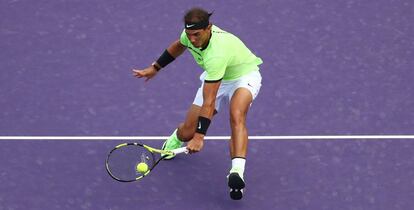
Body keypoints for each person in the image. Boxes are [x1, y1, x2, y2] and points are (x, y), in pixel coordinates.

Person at [132, 7, 262, 200]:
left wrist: (200, 138)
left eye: (197, 35)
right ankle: (177, 137)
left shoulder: (217, 53)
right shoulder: (189, 35)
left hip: (243, 76)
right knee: (187, 132)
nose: (192, 39)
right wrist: (155, 67)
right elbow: (178, 45)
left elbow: (210, 102)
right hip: (215, 77)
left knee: (237, 115)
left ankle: (237, 171)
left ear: (208, 28)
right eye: (189, 34)